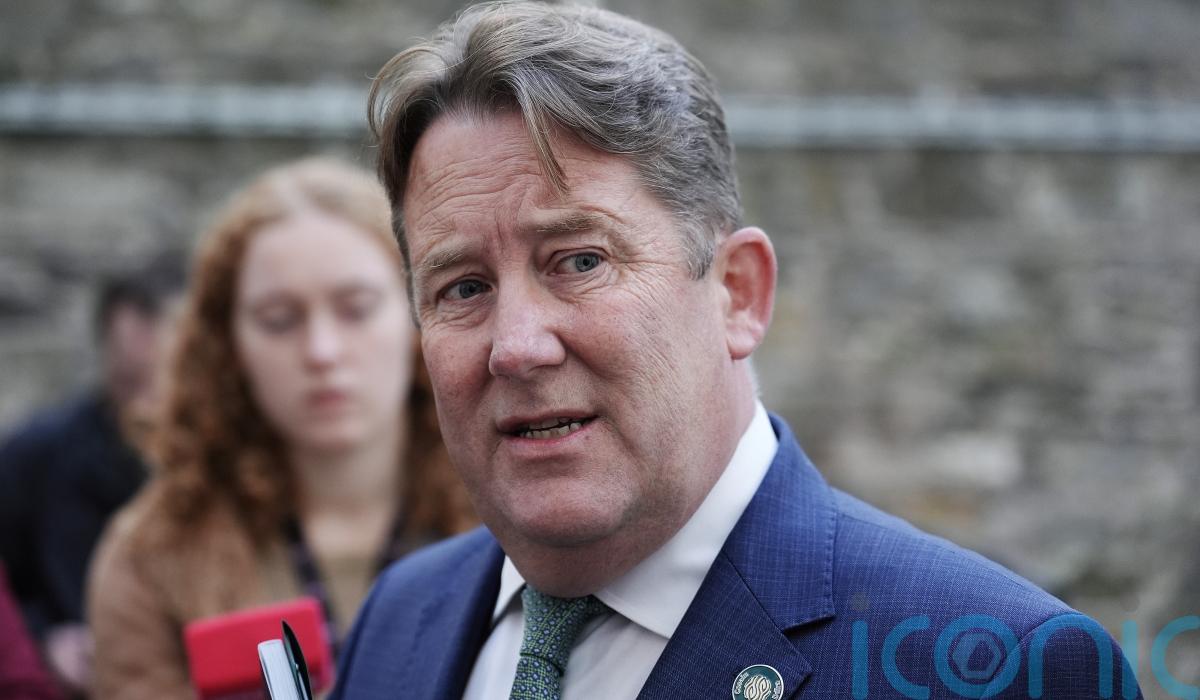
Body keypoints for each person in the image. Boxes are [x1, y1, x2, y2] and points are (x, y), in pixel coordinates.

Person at [331, 3, 1141, 699]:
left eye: (579, 262)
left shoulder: (997, 666)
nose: (517, 347)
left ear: (737, 292)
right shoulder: (399, 621)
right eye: (463, 288)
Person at [86, 158, 476, 698]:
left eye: (356, 309)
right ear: (229, 347)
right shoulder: (154, 553)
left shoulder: (512, 511)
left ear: (417, 314)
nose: (322, 351)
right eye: (279, 320)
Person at [0, 260, 183, 697]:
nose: (145, 405)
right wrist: (43, 639)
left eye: (166, 377)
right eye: (131, 381)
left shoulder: (234, 464)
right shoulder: (35, 453)